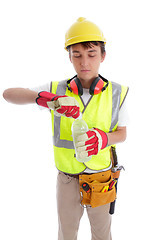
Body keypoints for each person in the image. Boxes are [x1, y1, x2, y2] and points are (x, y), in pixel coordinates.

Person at [3, 17, 129, 240]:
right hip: (67, 179)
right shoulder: (57, 90)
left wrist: (103, 139)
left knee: (102, 234)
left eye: (91, 55)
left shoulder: (118, 92)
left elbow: (122, 133)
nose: (84, 62)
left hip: (101, 179)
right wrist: (44, 99)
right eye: (77, 55)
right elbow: (8, 94)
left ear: (103, 56)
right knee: (66, 234)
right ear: (69, 56)